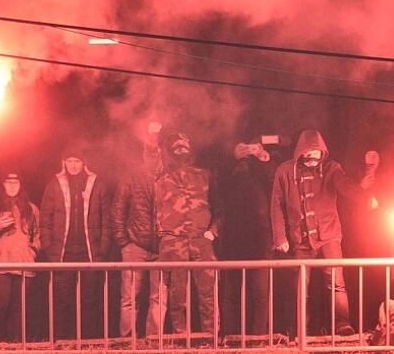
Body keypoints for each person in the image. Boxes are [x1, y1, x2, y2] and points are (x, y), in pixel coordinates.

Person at [270, 129, 378, 337]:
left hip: (328, 235)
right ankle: (299, 330)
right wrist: (280, 237)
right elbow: (276, 205)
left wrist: (364, 198)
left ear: (322, 152)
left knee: (336, 283)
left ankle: (342, 325)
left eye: (316, 154)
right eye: (308, 154)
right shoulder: (285, 171)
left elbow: (346, 186)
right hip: (300, 239)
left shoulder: (331, 168)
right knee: (300, 288)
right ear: (301, 152)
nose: (312, 158)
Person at [39, 143, 111, 339]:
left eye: (76, 161)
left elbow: (106, 218)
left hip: (89, 253)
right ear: (64, 162)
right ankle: (62, 342)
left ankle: (89, 343)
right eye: (69, 160)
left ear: (83, 162)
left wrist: (103, 247)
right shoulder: (54, 184)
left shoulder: (96, 184)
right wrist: (48, 246)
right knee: (63, 300)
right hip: (63, 254)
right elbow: (45, 218)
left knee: (89, 300)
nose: (72, 165)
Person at [154, 128, 221, 337]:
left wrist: (213, 231)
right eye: (176, 148)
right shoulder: (161, 174)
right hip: (174, 241)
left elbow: (220, 207)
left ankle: (211, 336)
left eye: (184, 147)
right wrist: (152, 137)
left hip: (201, 240)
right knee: (177, 294)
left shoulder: (205, 175)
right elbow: (151, 159)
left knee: (208, 292)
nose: (181, 151)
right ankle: (180, 336)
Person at [111, 121, 164, 339]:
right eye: (150, 153)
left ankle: (154, 340)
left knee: (159, 298)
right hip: (135, 246)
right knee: (130, 297)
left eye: (157, 154)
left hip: (162, 247)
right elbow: (118, 210)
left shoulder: (169, 178)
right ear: (144, 155)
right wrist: (124, 242)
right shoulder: (131, 177)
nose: (153, 158)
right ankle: (127, 340)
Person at [219, 139, 278, 336]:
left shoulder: (262, 167)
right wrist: (233, 158)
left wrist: (264, 159)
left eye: (253, 148)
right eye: (245, 148)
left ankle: (259, 336)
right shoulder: (230, 169)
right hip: (233, 238)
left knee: (260, 291)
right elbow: (219, 182)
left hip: (260, 238)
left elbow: (275, 183)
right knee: (231, 291)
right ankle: (229, 335)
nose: (249, 151)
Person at [0, 172, 40, 342]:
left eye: (15, 182)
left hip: (24, 265)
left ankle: (15, 346)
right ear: (2, 184)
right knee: (0, 306)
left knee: (19, 310)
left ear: (21, 185)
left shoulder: (31, 208)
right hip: (0, 265)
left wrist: (33, 250)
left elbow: (37, 235)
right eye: (8, 182)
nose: (12, 185)